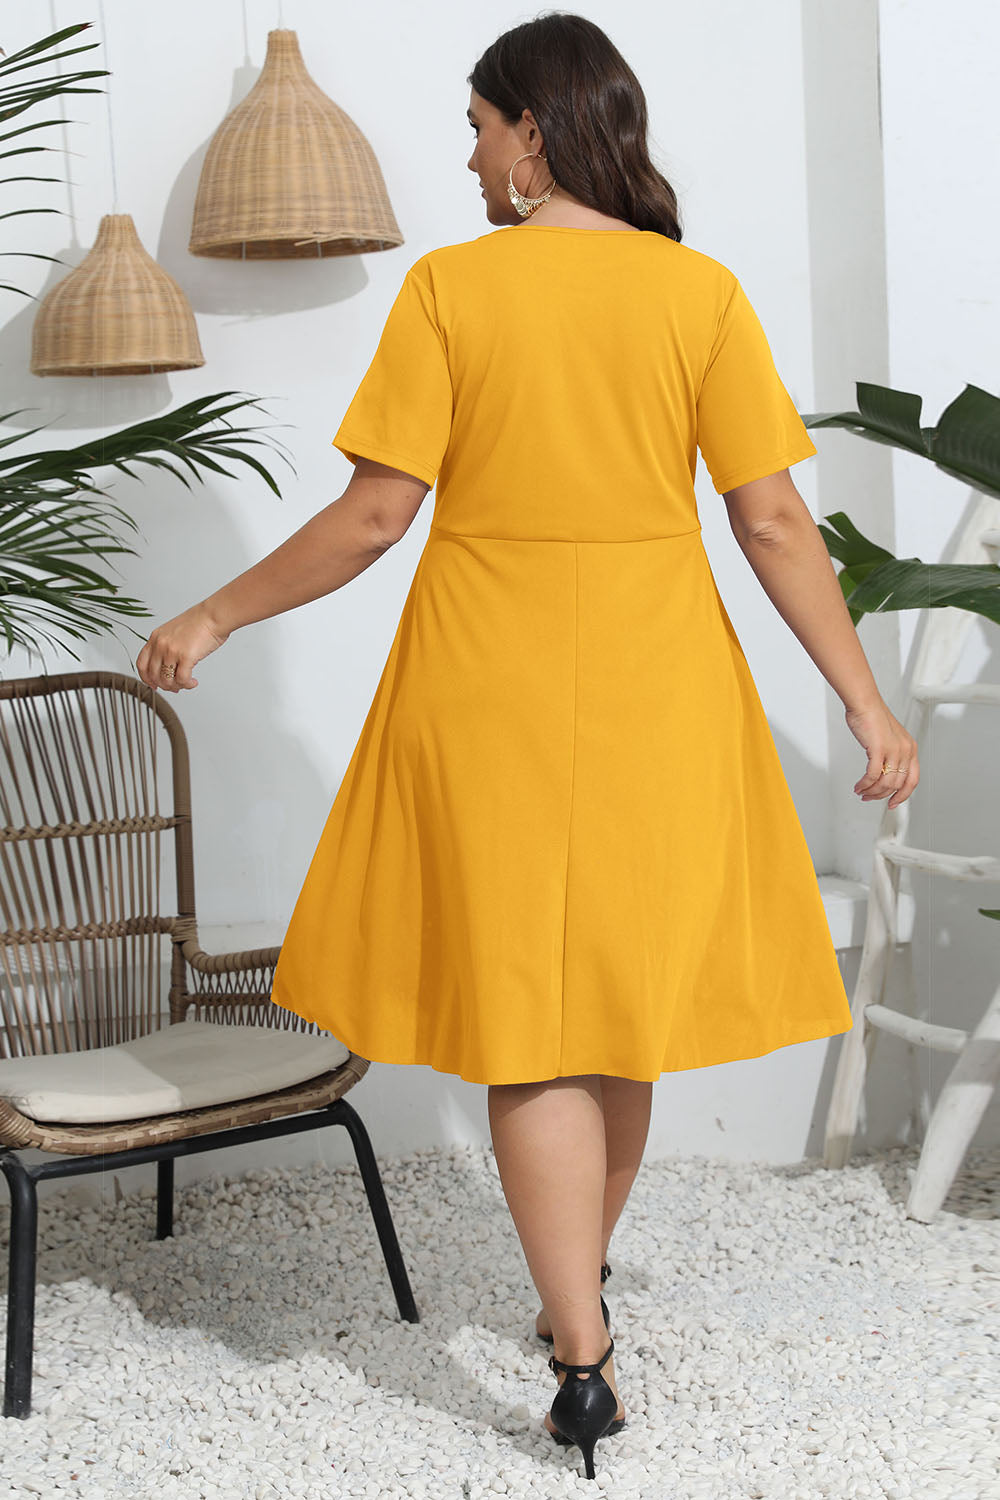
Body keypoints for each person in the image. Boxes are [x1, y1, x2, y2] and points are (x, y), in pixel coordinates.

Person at [136, 12, 919, 1483]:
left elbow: (377, 518)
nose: (471, 150)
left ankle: (579, 1355)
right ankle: (581, 1313)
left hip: (485, 685)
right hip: (657, 687)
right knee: (610, 1005)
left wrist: (218, 612)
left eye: (482, 123)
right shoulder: (697, 296)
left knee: (530, 1016)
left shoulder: (453, 292)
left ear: (535, 132)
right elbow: (770, 524)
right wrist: (865, 704)